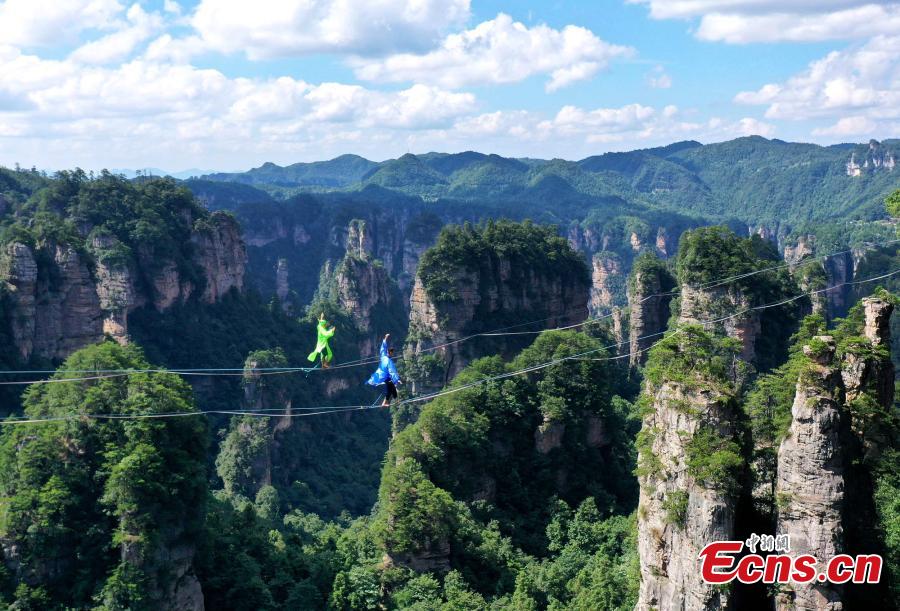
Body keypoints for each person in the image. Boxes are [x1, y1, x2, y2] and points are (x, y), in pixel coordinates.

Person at [367, 333, 401, 407]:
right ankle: (396, 402)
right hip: (384, 375)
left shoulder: (383, 356)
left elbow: (383, 348)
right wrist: (397, 379)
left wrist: (385, 338)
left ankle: (388, 403)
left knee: (392, 389)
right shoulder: (389, 361)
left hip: (381, 374)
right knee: (393, 388)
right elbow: (393, 371)